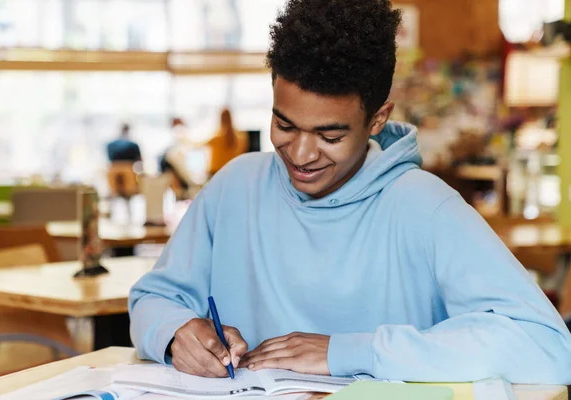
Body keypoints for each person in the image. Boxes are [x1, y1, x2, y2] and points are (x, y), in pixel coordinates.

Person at [129, 0, 571, 384]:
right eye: (284, 125)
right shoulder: (234, 187)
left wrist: (347, 352)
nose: (300, 153)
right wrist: (175, 333)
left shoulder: (424, 206)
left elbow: (547, 345)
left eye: (330, 135)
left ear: (378, 120)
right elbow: (153, 298)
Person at [206, 108, 249, 176]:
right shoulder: (241, 137)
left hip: (216, 173)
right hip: (234, 172)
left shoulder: (217, 138)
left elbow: (196, 145)